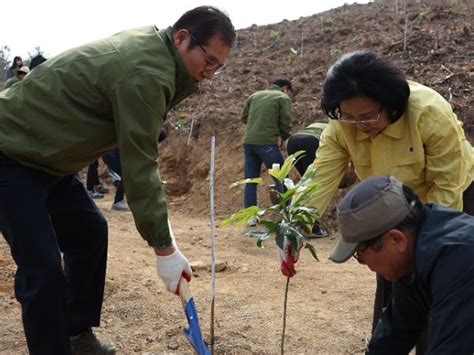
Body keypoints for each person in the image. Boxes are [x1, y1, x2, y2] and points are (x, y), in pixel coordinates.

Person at [0, 6, 235, 354]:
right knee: (43, 270)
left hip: (49, 158)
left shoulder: (155, 53)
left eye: (219, 66)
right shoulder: (146, 71)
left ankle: (75, 334)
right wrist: (165, 249)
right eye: (209, 61)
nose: (211, 74)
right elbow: (139, 165)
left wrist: (164, 236)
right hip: (11, 153)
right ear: (182, 37)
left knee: (89, 233)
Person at [279, 50, 474, 351]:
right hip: (386, 210)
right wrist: (294, 227)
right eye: (350, 117)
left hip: (451, 201)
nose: (361, 125)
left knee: (443, 294)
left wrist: (426, 254)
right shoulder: (343, 123)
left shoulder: (429, 112)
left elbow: (446, 188)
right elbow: (321, 175)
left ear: (391, 103)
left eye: (369, 116)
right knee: (393, 289)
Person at [330, 175, 474, 354]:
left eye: (360, 254)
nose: (365, 264)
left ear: (396, 239)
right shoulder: (415, 254)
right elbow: (396, 332)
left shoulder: (458, 259)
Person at [241, 78, 293, 226]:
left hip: (249, 142)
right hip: (267, 144)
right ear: (285, 88)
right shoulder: (282, 97)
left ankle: (251, 217)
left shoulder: (255, 95)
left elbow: (244, 117)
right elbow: (286, 121)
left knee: (251, 180)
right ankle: (286, 214)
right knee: (282, 178)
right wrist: (285, 137)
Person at [286, 122, 328, 237]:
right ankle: (313, 228)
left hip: (292, 142)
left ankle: (291, 219)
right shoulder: (338, 126)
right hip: (311, 142)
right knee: (312, 186)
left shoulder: (319, 123)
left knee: (305, 183)